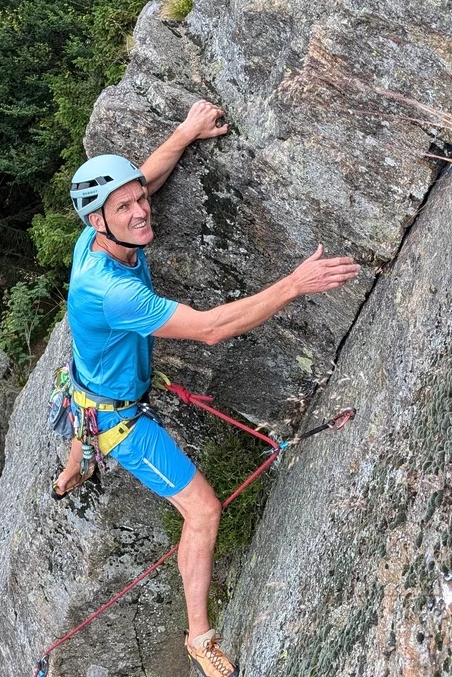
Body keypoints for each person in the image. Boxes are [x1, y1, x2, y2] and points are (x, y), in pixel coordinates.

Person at [55, 100, 359, 677]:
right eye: (126, 208)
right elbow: (213, 329)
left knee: (82, 406)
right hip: (122, 419)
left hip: (90, 382)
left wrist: (186, 132)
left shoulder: (94, 238)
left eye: (139, 199)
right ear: (98, 220)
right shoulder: (113, 291)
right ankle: (199, 640)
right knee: (203, 510)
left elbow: (146, 176)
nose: (142, 211)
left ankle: (72, 471)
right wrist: (295, 283)